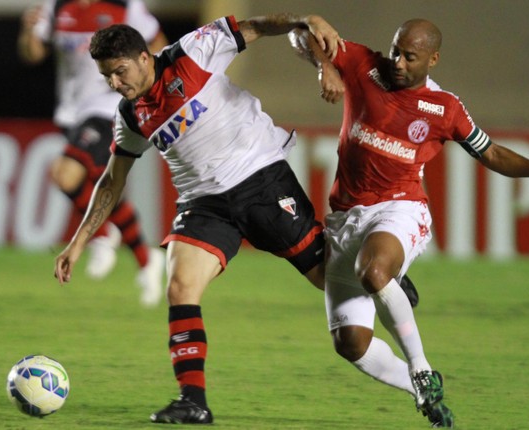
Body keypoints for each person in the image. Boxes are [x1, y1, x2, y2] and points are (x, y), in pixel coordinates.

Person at [52, 13, 350, 425]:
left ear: (144, 57)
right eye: (107, 77)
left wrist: (308, 24)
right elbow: (111, 181)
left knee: (329, 278)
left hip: (259, 179)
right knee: (180, 287)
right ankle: (193, 401)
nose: (115, 84)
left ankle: (383, 275)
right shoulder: (132, 115)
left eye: (120, 72)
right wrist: (78, 242)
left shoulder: (194, 51)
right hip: (203, 204)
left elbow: (260, 26)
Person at [290, 18, 529, 428]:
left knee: (374, 271)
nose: (398, 62)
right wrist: (324, 65)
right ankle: (421, 386)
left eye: (410, 56)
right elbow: (301, 32)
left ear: (433, 60)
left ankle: (419, 365)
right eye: (395, 51)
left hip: (401, 208)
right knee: (350, 345)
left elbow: (489, 153)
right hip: (346, 218)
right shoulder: (364, 65)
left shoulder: (444, 109)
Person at [18, 0, 167, 306]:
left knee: (65, 173)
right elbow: (33, 54)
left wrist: (144, 92)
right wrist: (28, 31)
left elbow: (158, 46)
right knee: (103, 182)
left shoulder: (124, 5)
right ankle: (145, 258)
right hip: (72, 111)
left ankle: (101, 236)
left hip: (108, 106)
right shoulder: (57, 6)